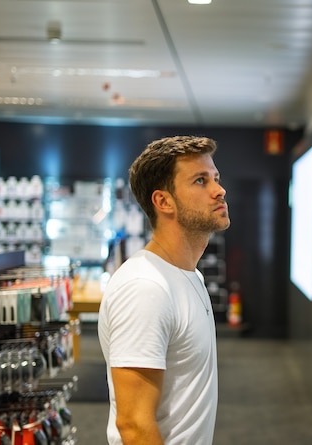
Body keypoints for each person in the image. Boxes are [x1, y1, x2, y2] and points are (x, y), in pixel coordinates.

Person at [98, 135, 230, 445]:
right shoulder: (146, 287)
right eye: (200, 181)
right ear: (163, 201)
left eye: (215, 178)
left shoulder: (190, 275)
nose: (219, 190)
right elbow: (133, 425)